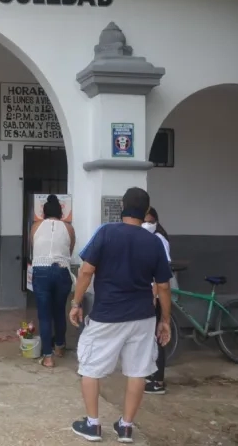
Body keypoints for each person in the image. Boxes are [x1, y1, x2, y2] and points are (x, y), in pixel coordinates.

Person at [69, 187, 172, 443]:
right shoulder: (154, 241)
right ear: (147, 211)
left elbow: (85, 271)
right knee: (138, 371)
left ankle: (93, 425)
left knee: (90, 368)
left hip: (107, 315)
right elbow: (164, 286)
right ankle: (126, 427)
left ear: (122, 206)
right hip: (143, 316)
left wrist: (76, 302)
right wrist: (165, 320)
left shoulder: (106, 232)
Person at [29, 194, 76, 368]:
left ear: (44, 212)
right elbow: (69, 252)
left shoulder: (36, 226)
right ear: (61, 212)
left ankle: (48, 357)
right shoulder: (69, 228)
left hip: (41, 271)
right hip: (61, 271)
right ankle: (60, 347)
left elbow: (33, 247)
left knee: (44, 315)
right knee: (59, 311)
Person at [142, 207, 172, 394]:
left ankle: (158, 381)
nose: (146, 225)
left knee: (158, 337)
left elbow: (161, 278)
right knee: (150, 338)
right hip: (150, 294)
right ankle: (151, 375)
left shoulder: (159, 239)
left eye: (149, 221)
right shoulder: (149, 239)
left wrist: (154, 294)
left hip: (157, 296)